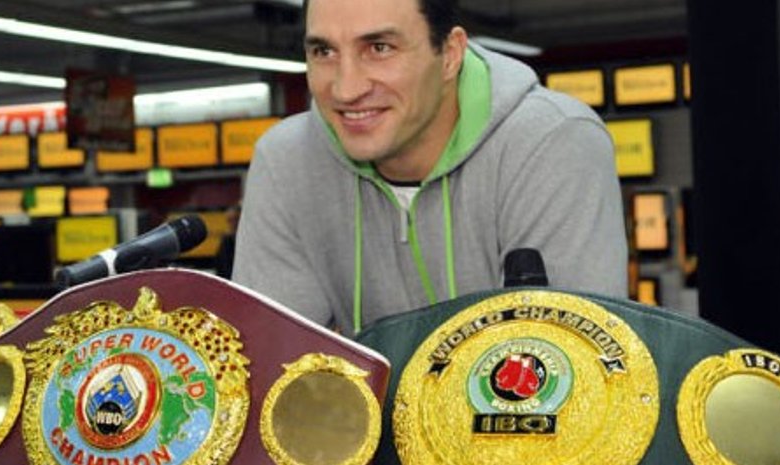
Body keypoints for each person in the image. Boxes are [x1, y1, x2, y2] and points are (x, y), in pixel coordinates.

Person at [233, 0, 627, 336]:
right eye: (324, 52)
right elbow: (270, 366)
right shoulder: (286, 161)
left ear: (450, 54)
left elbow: (572, 369)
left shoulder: (553, 140)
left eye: (380, 48)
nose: (346, 89)